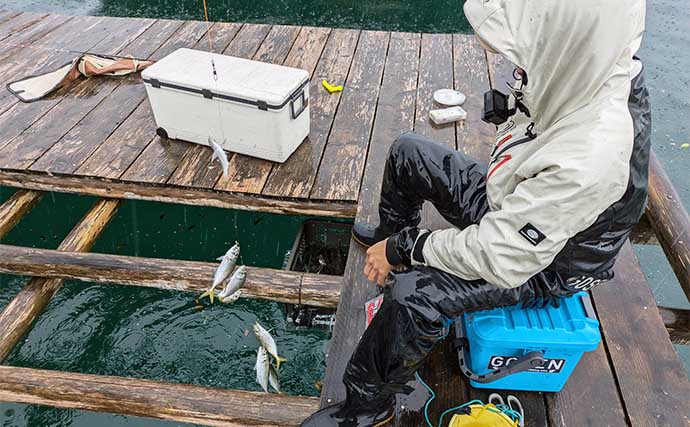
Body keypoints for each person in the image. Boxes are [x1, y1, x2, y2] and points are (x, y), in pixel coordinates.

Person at [301, 0, 650, 425]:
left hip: (547, 260)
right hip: (523, 206)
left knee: (415, 296)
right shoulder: (584, 66)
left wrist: (405, 248)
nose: (508, 62)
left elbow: (505, 257)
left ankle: (368, 404)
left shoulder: (594, 154)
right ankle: (385, 243)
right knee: (409, 152)